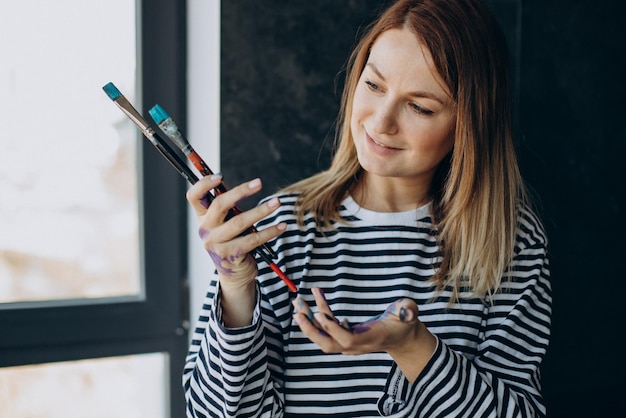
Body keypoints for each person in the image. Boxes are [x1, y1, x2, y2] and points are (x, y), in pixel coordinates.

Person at [183, 0, 551, 416]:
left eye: (420, 107)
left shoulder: (509, 243)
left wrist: (413, 347)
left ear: (469, 123)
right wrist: (235, 289)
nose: (381, 122)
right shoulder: (282, 228)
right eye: (374, 86)